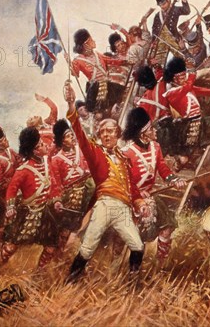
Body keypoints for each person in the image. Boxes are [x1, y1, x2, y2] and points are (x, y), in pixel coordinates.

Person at [63, 80, 148, 283]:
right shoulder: (96, 153)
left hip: (123, 208)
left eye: (110, 131)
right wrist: (71, 105)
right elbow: (82, 137)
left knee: (137, 245)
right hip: (104, 205)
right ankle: (71, 281)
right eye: (103, 132)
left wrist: (141, 203)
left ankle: (133, 282)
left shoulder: (124, 159)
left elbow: (132, 187)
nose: (106, 134)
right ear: (99, 136)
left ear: (118, 134)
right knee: (88, 246)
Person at [121, 107, 186, 260]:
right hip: (131, 201)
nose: (155, 130)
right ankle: (132, 272)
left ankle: (160, 264)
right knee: (138, 241)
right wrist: (137, 195)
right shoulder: (126, 153)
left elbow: (163, 169)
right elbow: (124, 182)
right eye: (151, 128)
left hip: (150, 197)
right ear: (143, 134)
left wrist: (174, 180)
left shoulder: (155, 147)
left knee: (167, 227)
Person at [0, 127, 63, 268]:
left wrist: (57, 200)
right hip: (27, 214)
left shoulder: (47, 163)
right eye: (40, 145)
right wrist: (10, 207)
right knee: (10, 248)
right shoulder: (23, 170)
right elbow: (11, 190)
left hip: (44, 212)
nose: (45, 145)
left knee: (51, 246)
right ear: (34, 151)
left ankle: (39, 274)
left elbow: (53, 184)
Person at [162, 57, 210, 165]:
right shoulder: (172, 93)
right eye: (181, 77)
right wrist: (192, 71)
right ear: (175, 79)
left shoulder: (187, 88)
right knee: (187, 151)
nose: (184, 79)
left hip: (197, 119)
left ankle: (196, 152)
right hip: (187, 122)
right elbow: (188, 86)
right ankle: (184, 158)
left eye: (184, 76)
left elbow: (204, 91)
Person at [50, 119, 94, 253]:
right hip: (71, 196)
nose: (72, 137)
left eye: (71, 134)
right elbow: (55, 184)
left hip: (88, 190)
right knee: (66, 230)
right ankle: (60, 254)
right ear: (62, 141)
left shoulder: (80, 150)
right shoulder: (56, 159)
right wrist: (57, 200)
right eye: (68, 136)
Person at [67, 28, 127, 115]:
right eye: (91, 40)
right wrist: (70, 64)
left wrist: (125, 61)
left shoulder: (96, 54)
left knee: (122, 94)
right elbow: (75, 74)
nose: (94, 41)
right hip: (94, 89)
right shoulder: (77, 60)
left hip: (108, 85)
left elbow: (109, 60)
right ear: (86, 44)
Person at [150, 0, 191, 65]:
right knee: (158, 60)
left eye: (164, 4)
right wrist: (153, 41)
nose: (162, 6)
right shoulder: (157, 16)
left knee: (182, 58)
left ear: (168, 1)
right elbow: (154, 29)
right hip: (162, 40)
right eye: (160, 5)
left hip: (174, 37)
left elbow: (187, 11)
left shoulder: (175, 9)